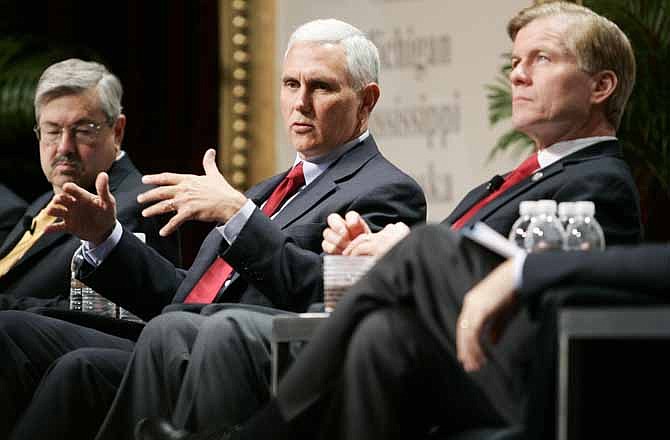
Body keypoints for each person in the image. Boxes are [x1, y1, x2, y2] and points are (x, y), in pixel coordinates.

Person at [134, 3, 647, 440]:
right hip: (434, 343)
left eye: (542, 59)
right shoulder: (506, 181)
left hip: (512, 369)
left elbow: (563, 300)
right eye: (516, 61)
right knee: (379, 329)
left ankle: (260, 432)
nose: (517, 74)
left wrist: (408, 252)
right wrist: (381, 251)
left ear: (601, 86)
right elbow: (457, 264)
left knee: (417, 252)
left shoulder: (599, 179)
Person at [0, 19, 426, 440]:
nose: (301, 102)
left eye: (321, 87)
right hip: (176, 337)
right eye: (291, 84)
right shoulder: (270, 189)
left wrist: (240, 216)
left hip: (248, 364)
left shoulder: (387, 189)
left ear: (366, 101)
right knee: (20, 335)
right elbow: (184, 294)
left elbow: (332, 302)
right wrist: (105, 237)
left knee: (124, 351)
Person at [0, 58, 181, 310]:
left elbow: (100, 315)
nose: (64, 147)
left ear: (117, 131)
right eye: (52, 131)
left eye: (83, 130)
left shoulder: (140, 204)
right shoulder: (46, 200)